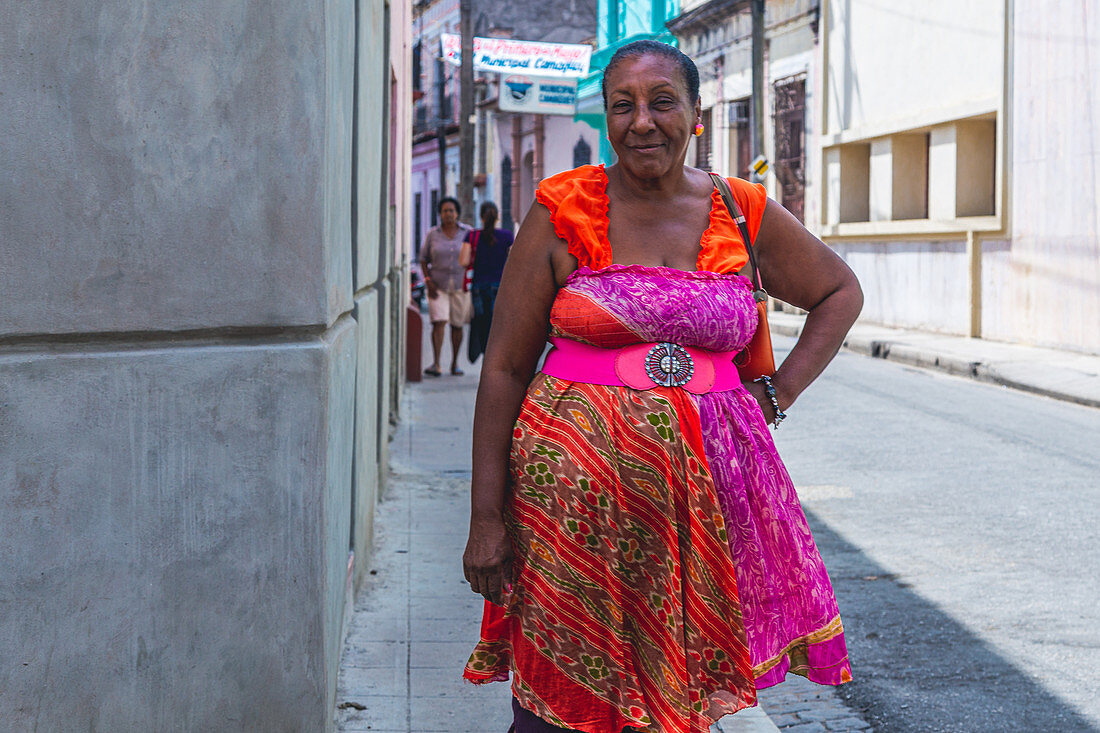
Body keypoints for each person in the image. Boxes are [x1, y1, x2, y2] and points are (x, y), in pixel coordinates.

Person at [461, 40, 863, 733]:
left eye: (662, 102)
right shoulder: (564, 209)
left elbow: (838, 290)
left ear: (696, 114)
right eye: (623, 105)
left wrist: (778, 393)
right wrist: (486, 518)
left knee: (686, 693)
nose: (641, 121)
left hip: (705, 507)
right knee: (555, 705)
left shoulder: (742, 211)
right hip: (570, 514)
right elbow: (501, 368)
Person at [419, 196, 471, 376]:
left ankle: (455, 364)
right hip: (437, 286)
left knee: (457, 325)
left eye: (451, 211)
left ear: (457, 213)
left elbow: (474, 257)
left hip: (460, 285)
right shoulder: (433, 234)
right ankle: (436, 364)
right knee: (438, 322)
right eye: (444, 211)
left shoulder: (467, 233)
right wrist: (427, 280)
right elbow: (423, 259)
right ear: (440, 214)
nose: (448, 214)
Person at [460, 201, 515, 363]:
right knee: (496, 322)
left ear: (481, 217)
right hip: (499, 286)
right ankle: (494, 357)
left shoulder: (472, 236)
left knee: (481, 322)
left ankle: (485, 356)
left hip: (478, 286)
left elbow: (463, 261)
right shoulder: (507, 236)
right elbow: (513, 260)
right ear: (497, 217)